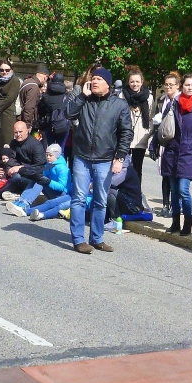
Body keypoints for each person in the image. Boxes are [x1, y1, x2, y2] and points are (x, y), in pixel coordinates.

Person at [65, 67, 132, 254]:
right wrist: (81, 97)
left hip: (105, 159)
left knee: (100, 200)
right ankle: (78, 240)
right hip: (82, 157)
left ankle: (97, 238)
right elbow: (68, 114)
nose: (94, 81)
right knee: (79, 199)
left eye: (98, 79)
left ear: (107, 84)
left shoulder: (119, 105)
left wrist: (120, 157)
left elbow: (126, 133)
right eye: (93, 78)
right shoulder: (83, 100)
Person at [160, 73, 192, 236]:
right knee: (174, 191)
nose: (189, 88)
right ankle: (175, 222)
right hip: (172, 151)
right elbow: (163, 125)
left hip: (189, 153)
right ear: (181, 86)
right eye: (187, 85)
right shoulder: (173, 103)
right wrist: (154, 145)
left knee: (183, 190)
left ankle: (188, 222)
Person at [6, 143, 71, 217]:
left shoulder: (62, 168)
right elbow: (44, 177)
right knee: (37, 179)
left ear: (56, 156)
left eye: (50, 155)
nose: (48, 157)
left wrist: (48, 182)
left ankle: (25, 203)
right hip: (53, 190)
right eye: (46, 155)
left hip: (62, 195)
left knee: (41, 182)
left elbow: (62, 187)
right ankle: (21, 200)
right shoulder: (48, 164)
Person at [150, 72, 180, 217]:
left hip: (177, 143)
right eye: (166, 85)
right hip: (164, 141)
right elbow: (160, 125)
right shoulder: (162, 100)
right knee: (165, 175)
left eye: (171, 85)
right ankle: (165, 205)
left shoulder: (180, 101)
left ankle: (175, 206)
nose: (168, 87)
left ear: (177, 86)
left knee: (176, 177)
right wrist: (153, 144)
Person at [119, 66, 153, 188]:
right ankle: (122, 191)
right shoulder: (122, 96)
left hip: (140, 137)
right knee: (122, 166)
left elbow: (150, 116)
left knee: (137, 168)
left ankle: (136, 192)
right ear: (128, 82)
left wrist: (147, 133)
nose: (135, 84)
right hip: (125, 137)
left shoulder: (149, 97)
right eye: (132, 81)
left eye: (137, 81)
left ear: (142, 82)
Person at [0, 60, 20, 158]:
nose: (4, 72)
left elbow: (9, 98)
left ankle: (6, 165)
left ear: (11, 70)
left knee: (6, 144)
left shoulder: (15, 80)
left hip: (7, 115)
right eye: (2, 70)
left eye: (7, 70)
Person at [38, 72, 69, 149]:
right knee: (61, 149)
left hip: (49, 124)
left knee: (50, 149)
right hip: (63, 124)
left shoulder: (46, 96)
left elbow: (41, 111)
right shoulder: (67, 96)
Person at [17, 64, 49, 132]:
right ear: (45, 77)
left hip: (20, 118)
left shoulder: (27, 82)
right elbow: (29, 107)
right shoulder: (34, 87)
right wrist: (27, 125)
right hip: (24, 122)